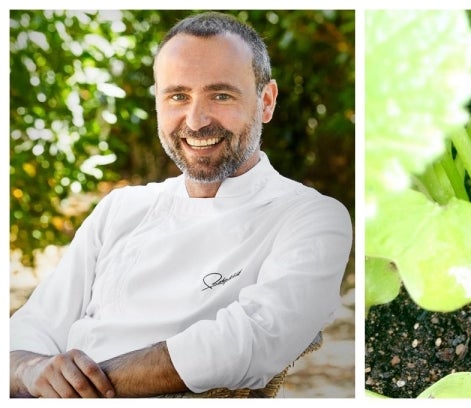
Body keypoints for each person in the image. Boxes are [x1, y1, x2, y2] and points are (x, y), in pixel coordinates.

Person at [9, 11, 353, 398]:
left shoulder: (310, 217)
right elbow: (30, 329)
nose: (196, 119)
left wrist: (75, 386)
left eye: (220, 95)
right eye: (178, 96)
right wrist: (31, 369)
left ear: (266, 101)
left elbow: (253, 340)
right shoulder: (121, 208)